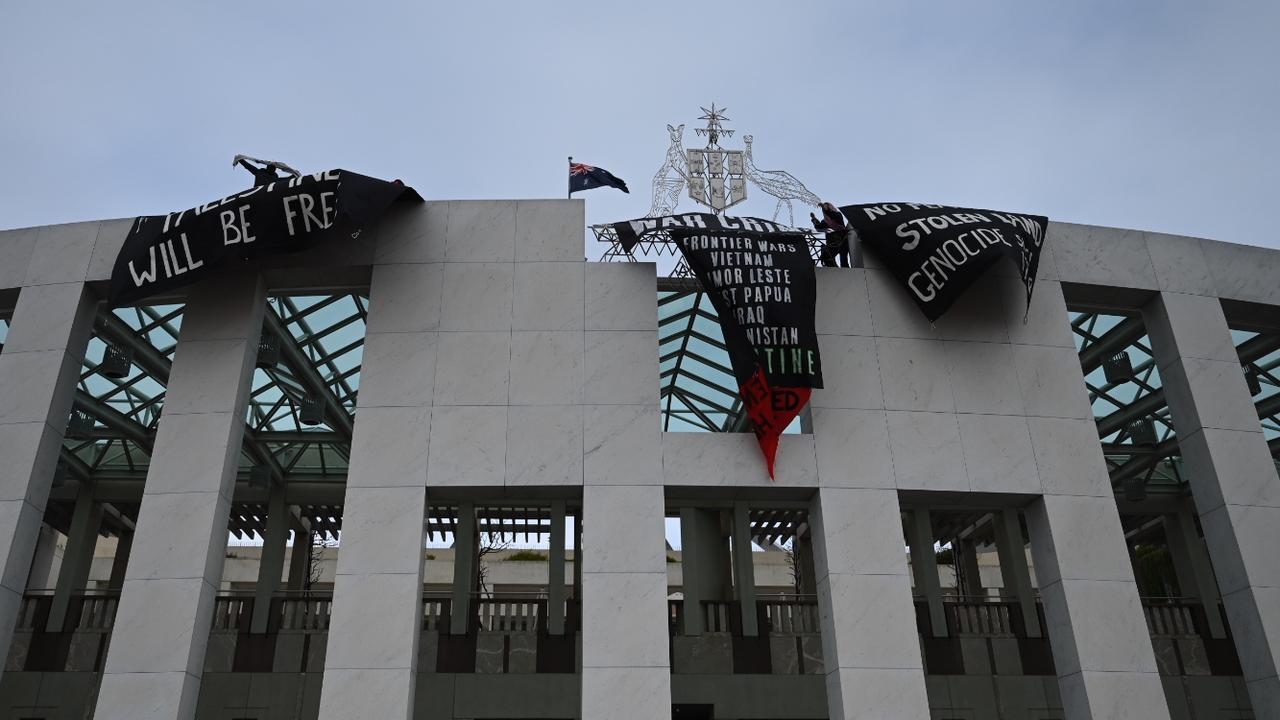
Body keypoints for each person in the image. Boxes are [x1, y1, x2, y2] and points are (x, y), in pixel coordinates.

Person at [810, 201, 850, 267]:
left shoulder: (837, 214)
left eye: (826, 206)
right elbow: (818, 226)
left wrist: (824, 207)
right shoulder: (825, 221)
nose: (824, 208)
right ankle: (834, 268)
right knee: (826, 255)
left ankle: (846, 271)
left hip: (842, 240)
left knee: (843, 259)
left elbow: (832, 214)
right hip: (832, 242)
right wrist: (814, 219)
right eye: (823, 208)